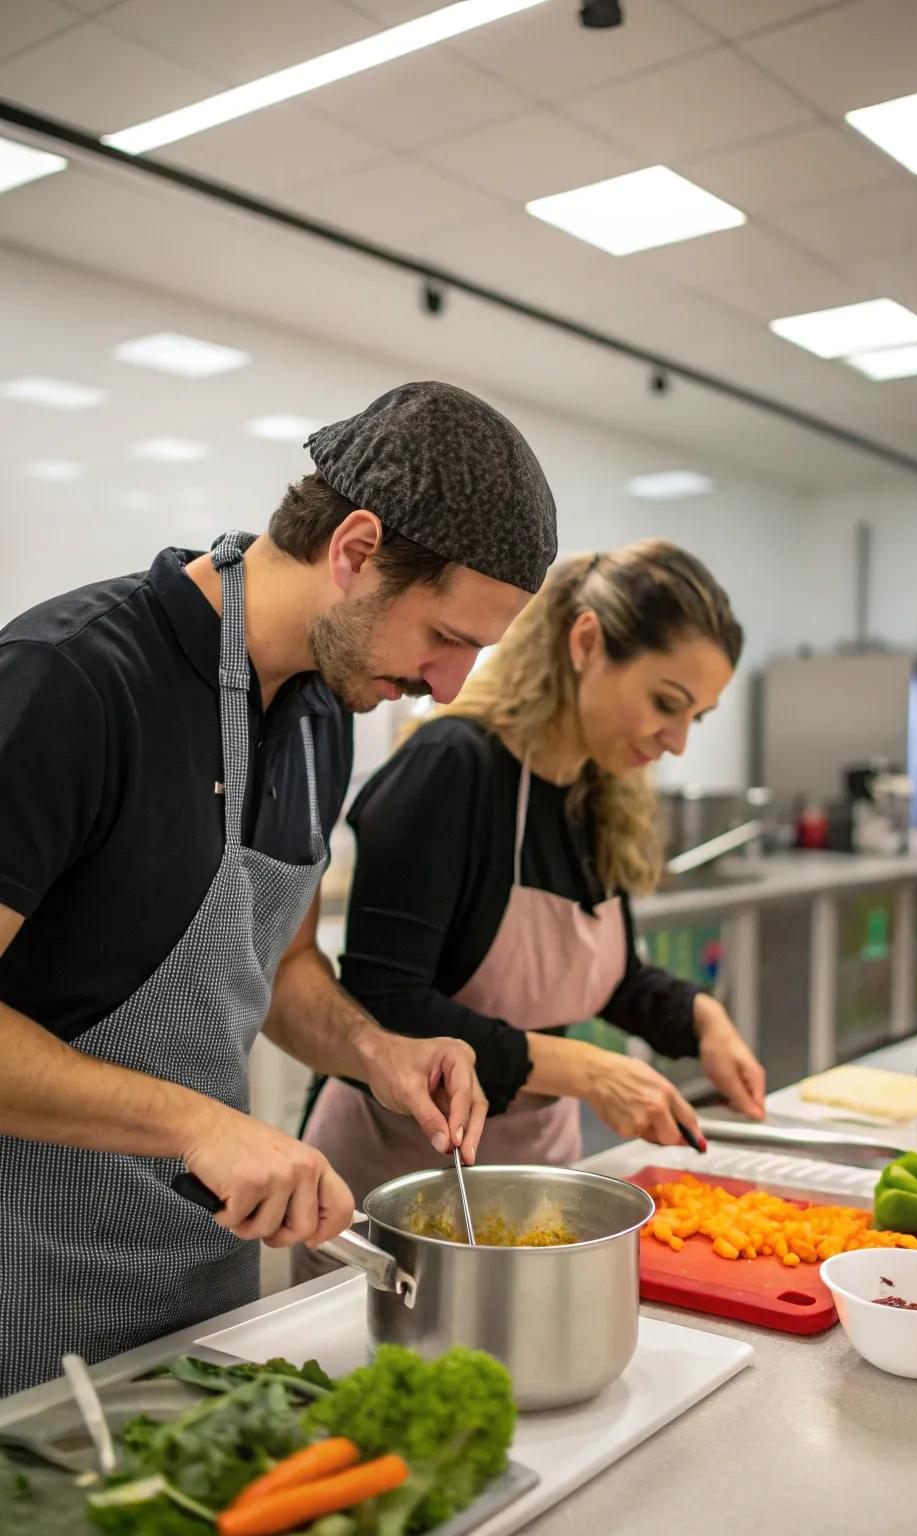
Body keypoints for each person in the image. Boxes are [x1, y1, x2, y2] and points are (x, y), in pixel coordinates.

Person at [0, 380, 557, 1396]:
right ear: (353, 550)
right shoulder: (69, 681)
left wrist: (379, 1053)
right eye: (448, 636)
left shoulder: (321, 716)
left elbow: (282, 964)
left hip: (198, 1296)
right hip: (26, 1304)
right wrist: (197, 1123)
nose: (451, 687)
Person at [297, 540, 766, 1275]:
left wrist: (701, 1019)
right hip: (395, 1181)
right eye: (666, 704)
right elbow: (383, 1005)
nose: (674, 742)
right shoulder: (452, 769)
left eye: (694, 719)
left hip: (532, 1178)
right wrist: (584, 1069)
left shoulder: (596, 792)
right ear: (585, 643)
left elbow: (607, 978)